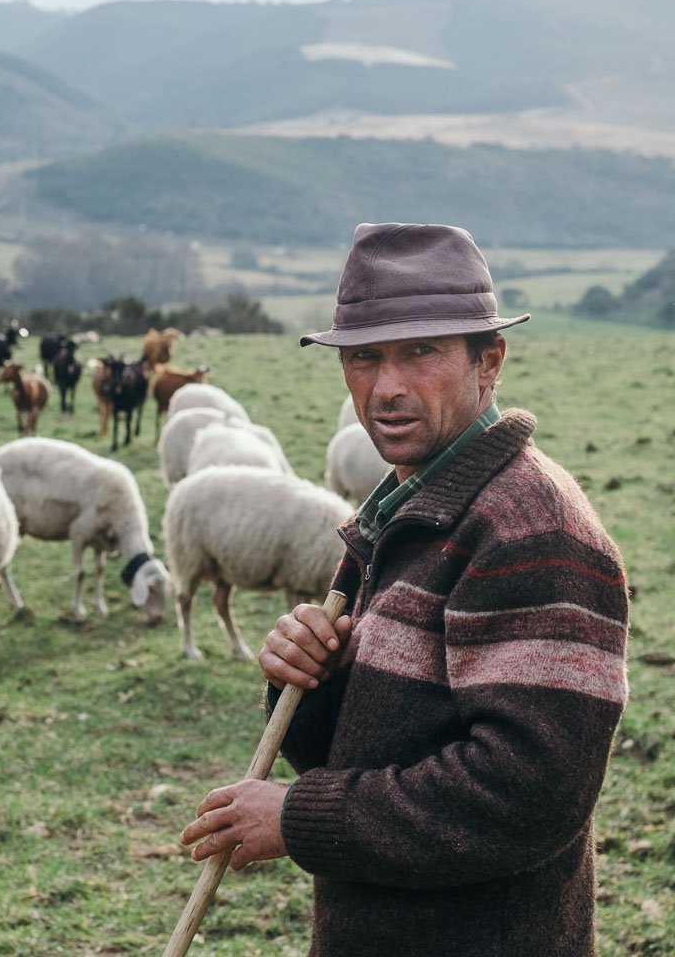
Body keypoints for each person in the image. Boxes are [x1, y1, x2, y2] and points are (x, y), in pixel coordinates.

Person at [179, 223, 630, 955]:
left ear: (490, 361)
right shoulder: (403, 512)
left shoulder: (530, 534)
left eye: (421, 352)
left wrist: (299, 820)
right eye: (363, 357)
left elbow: (528, 795)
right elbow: (358, 748)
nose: (386, 389)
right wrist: (311, 683)